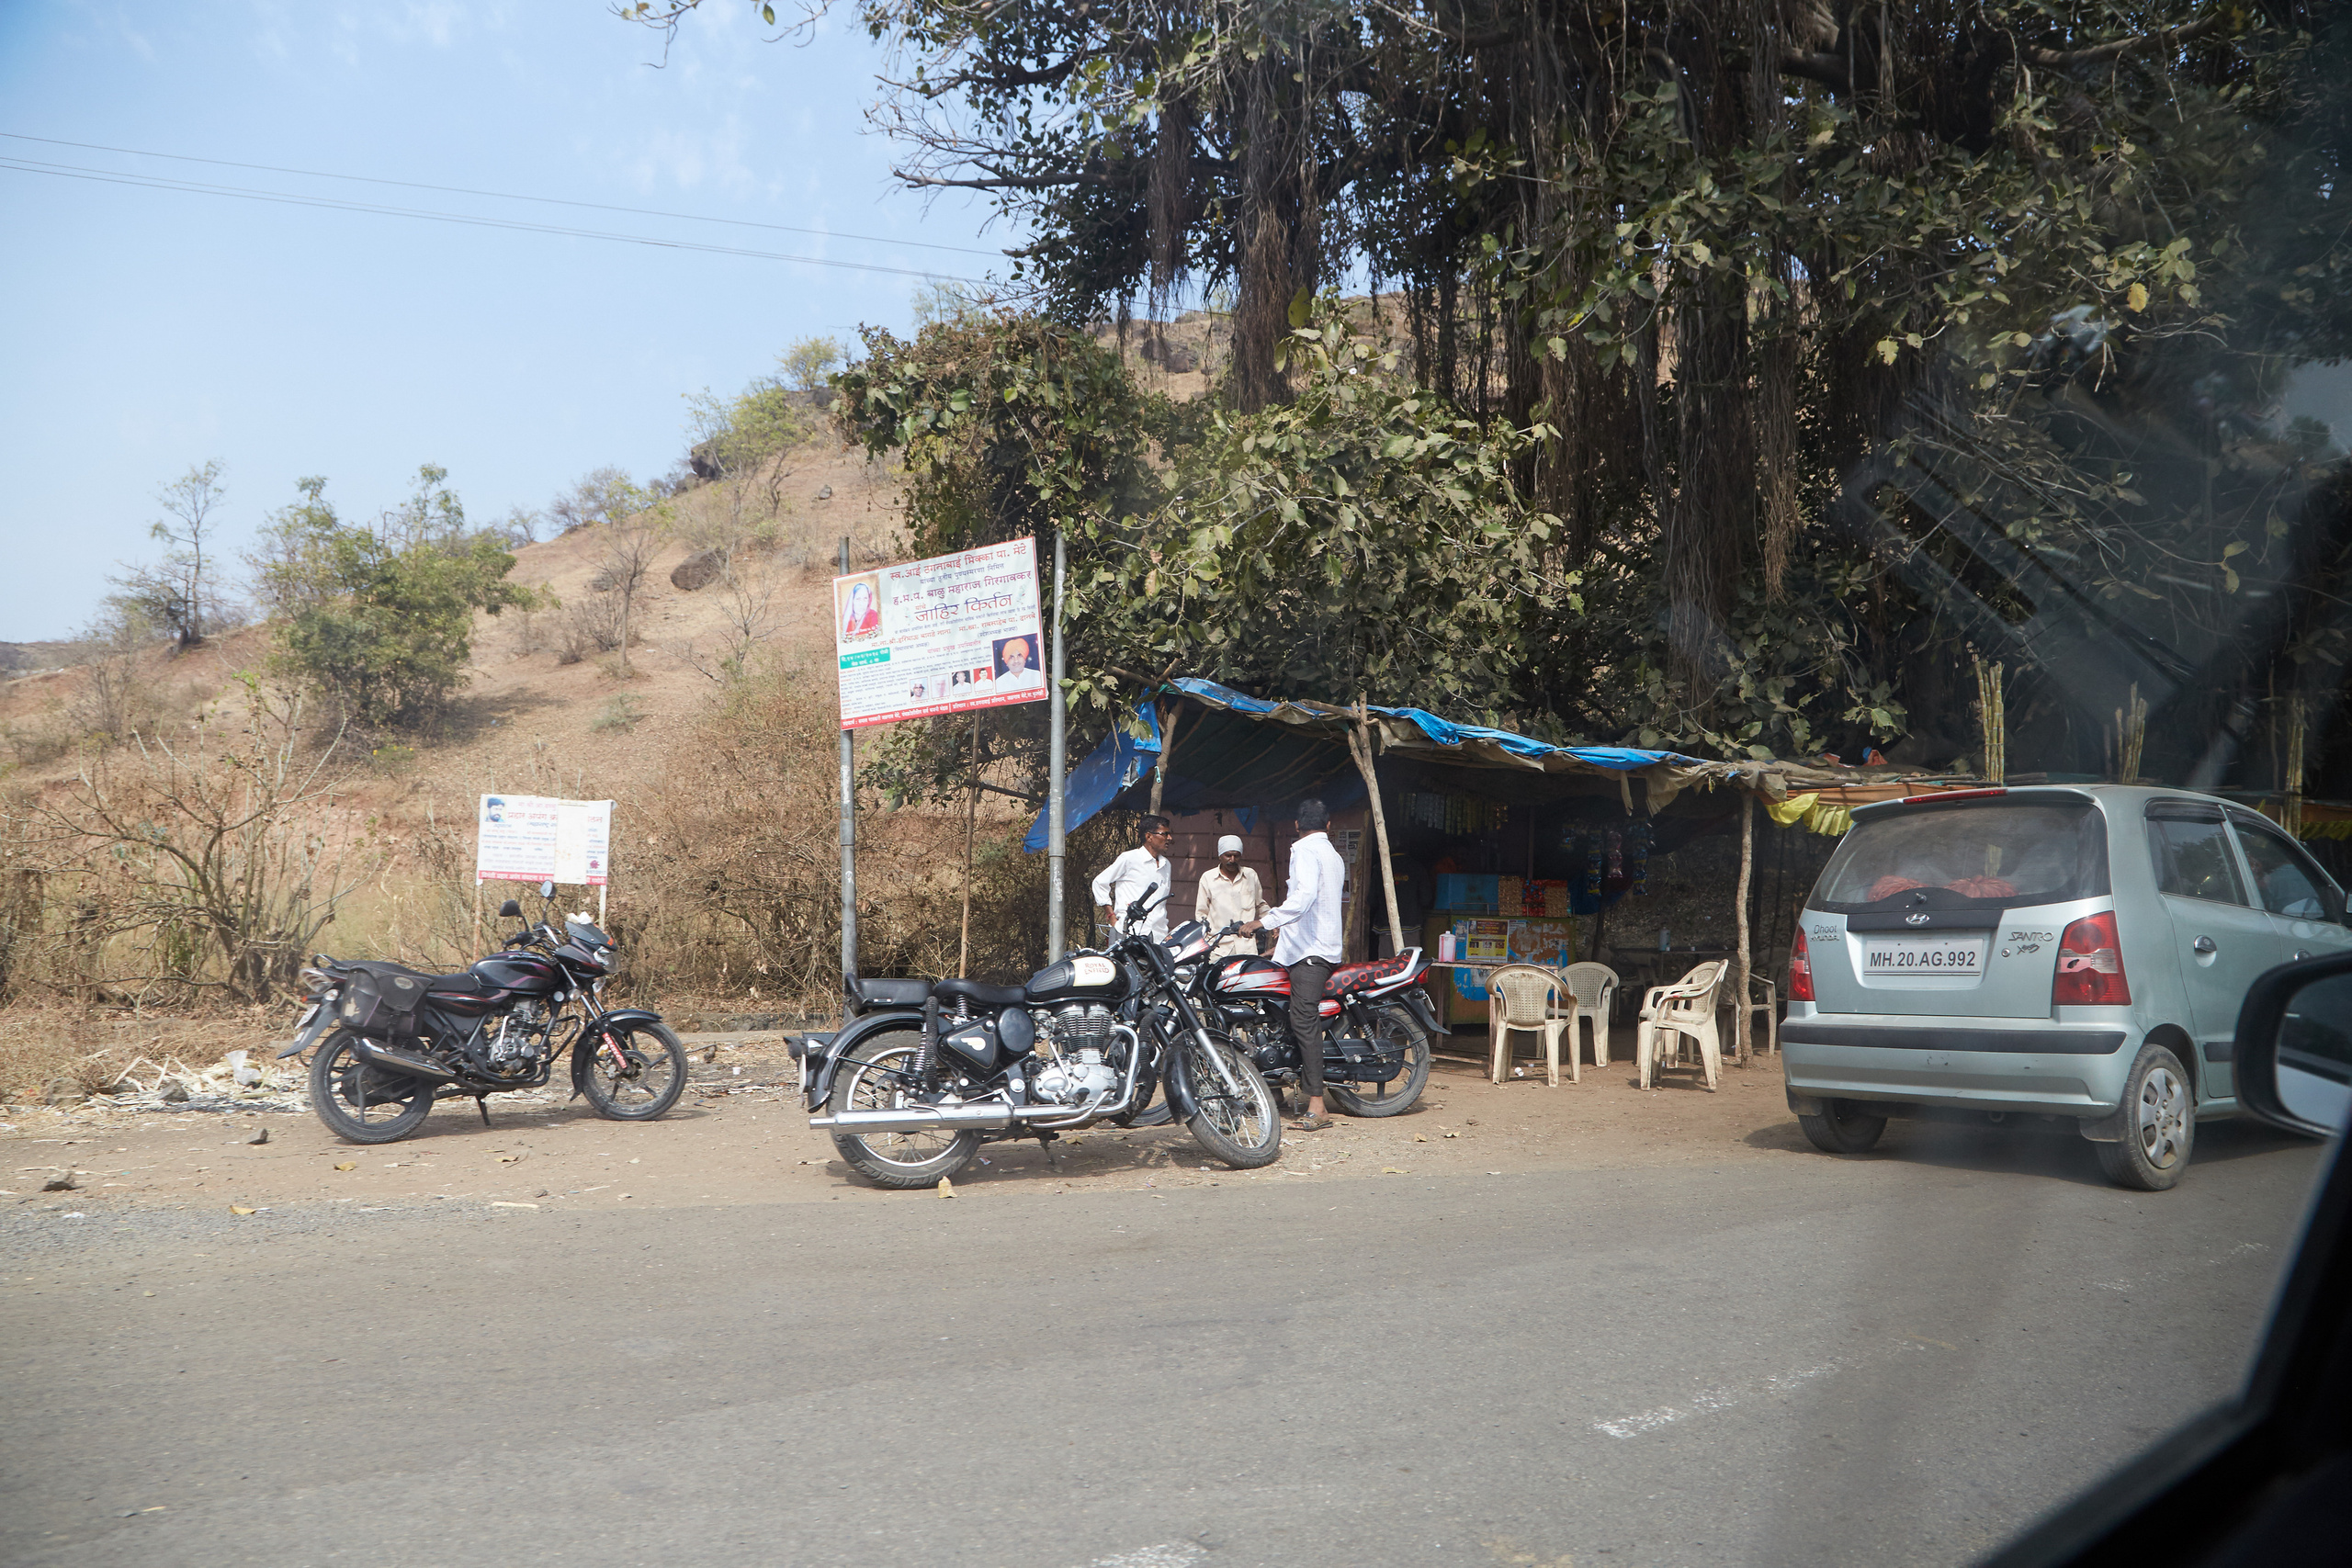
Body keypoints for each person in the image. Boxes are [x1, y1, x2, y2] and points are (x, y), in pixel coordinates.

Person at [1241, 798, 1346, 1132]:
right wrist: (1278, 943)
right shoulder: (1332, 853)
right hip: (1310, 947)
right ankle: (1273, 1091)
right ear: (1328, 825)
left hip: (1311, 953)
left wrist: (1263, 921)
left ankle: (1317, 1103)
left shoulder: (1303, 850)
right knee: (1275, 1012)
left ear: (1297, 826)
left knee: (1303, 1018)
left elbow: (1302, 899)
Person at [1092, 815, 1174, 942]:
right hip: (1129, 933)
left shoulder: (1166, 865)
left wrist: (1164, 931)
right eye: (1165, 834)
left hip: (1158, 937)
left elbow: (1160, 905)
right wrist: (1111, 917)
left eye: (1169, 834)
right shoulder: (1130, 859)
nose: (1169, 838)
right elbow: (1099, 882)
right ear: (1149, 837)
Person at [1194, 834, 1266, 959]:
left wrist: (1271, 923)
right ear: (1220, 856)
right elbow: (1201, 914)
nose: (1232, 860)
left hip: (1246, 948)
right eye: (1228, 855)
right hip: (1218, 949)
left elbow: (1260, 905)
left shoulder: (1250, 875)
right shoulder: (1208, 878)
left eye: (1236, 855)